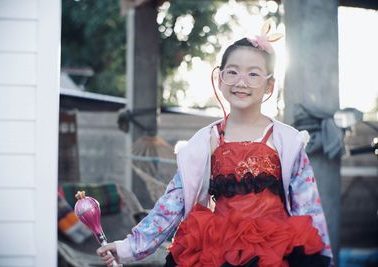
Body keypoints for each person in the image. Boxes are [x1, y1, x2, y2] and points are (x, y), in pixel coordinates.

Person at [97, 19, 333, 267]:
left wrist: (321, 257)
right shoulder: (205, 141)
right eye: (232, 71)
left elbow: (309, 206)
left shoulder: (286, 140)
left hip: (274, 248)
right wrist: (127, 248)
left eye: (253, 74)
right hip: (216, 248)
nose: (241, 82)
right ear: (220, 79)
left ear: (269, 85)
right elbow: (173, 202)